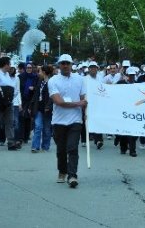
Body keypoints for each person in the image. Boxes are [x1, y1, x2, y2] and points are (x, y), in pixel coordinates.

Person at [48, 54, 86, 188]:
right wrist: (79, 104)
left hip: (75, 120)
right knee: (61, 150)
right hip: (59, 121)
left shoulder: (80, 80)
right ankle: (62, 171)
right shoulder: (53, 80)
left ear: (71, 65)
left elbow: (84, 99)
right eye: (63, 63)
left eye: (68, 63)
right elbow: (59, 102)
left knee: (72, 148)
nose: (65, 65)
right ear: (59, 65)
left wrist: (86, 110)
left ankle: (72, 175)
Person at [0, 56, 19, 151]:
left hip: (8, 102)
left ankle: (11, 143)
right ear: (5, 65)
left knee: (9, 123)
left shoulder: (6, 74)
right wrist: (4, 89)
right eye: (9, 64)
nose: (10, 66)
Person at [30, 65, 54, 152]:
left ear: (44, 72)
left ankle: (45, 146)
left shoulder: (51, 82)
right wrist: (30, 106)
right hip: (38, 108)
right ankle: (35, 146)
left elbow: (53, 96)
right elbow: (36, 94)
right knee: (38, 126)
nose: (38, 73)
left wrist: (48, 106)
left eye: (39, 71)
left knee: (47, 129)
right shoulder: (39, 81)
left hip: (47, 109)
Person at [116, 67, 138, 157]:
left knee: (133, 132)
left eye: (133, 75)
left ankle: (132, 150)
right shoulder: (121, 83)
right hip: (123, 110)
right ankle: (123, 147)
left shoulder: (138, 85)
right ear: (127, 75)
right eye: (130, 75)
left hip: (134, 111)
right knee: (124, 131)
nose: (132, 77)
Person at [83, 61, 103, 149]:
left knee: (98, 121)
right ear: (88, 69)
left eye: (94, 67)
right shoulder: (85, 79)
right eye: (91, 67)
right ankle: (84, 139)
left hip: (99, 103)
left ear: (97, 69)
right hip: (88, 103)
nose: (93, 69)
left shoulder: (101, 78)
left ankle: (99, 140)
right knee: (87, 122)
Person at [19, 63, 38, 143]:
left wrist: (33, 88)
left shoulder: (35, 77)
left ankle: (26, 136)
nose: (29, 69)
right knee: (22, 118)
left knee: (29, 119)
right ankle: (21, 137)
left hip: (31, 100)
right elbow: (18, 88)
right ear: (25, 68)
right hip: (22, 100)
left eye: (30, 67)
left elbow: (38, 87)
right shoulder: (21, 77)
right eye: (27, 67)